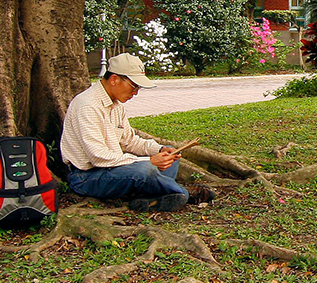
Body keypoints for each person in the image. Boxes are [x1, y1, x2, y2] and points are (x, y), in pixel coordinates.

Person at [60, 53, 215, 211]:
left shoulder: (116, 105)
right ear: (114, 79)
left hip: (114, 170)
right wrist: (150, 161)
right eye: (134, 86)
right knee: (144, 170)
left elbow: (130, 141)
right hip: (87, 177)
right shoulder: (87, 106)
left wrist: (159, 150)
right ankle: (185, 193)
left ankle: (150, 197)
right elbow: (98, 157)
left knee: (170, 156)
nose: (135, 93)